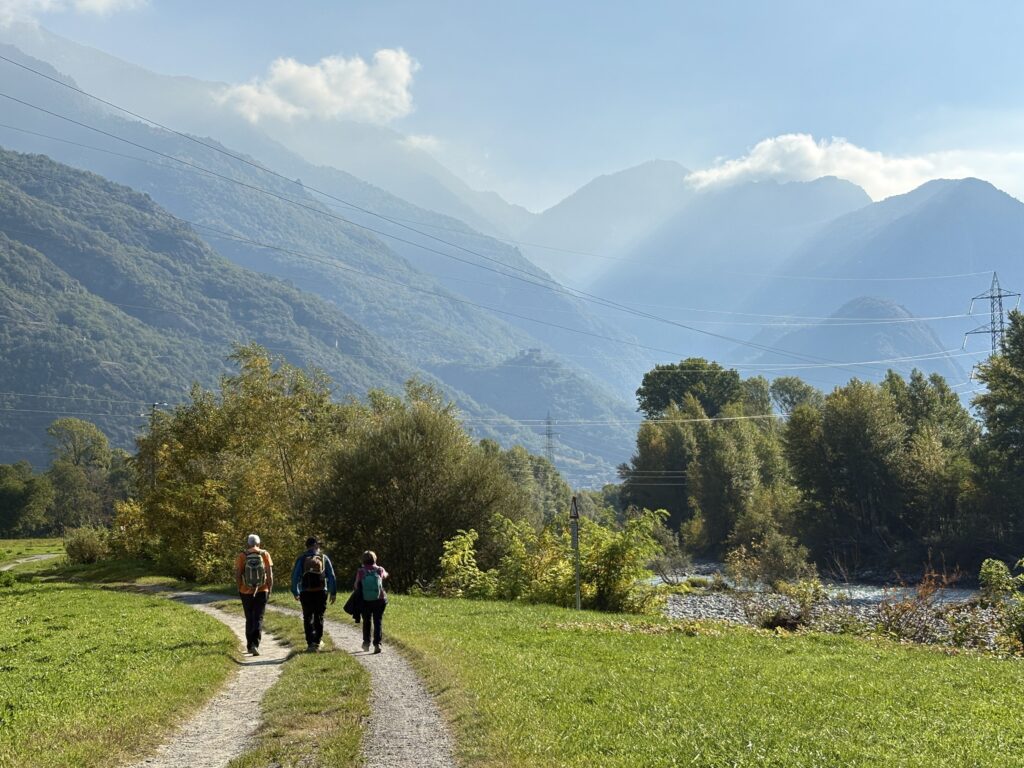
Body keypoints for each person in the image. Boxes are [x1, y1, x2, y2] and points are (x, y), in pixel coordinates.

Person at [290, 536, 336, 652]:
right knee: (319, 616)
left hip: (305, 592)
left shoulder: (302, 558)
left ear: (307, 546)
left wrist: (295, 591)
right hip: (321, 591)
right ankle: (317, 642)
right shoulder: (323, 558)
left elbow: (295, 576)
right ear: (316, 546)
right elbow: (331, 576)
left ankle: (310, 643)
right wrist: (333, 592)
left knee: (307, 616)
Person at [234, 533, 273, 656]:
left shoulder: (242, 556)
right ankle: (255, 644)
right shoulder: (264, 554)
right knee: (258, 618)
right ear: (259, 543)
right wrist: (270, 588)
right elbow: (269, 573)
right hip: (262, 590)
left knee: (249, 617)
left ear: (248, 544)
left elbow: (238, 573)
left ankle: (249, 645)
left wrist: (239, 587)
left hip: (245, 591)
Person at [355, 550, 388, 653]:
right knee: (377, 621)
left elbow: (356, 585)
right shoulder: (379, 570)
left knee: (366, 621)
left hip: (365, 600)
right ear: (375, 559)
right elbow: (385, 576)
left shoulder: (361, 571)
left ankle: (366, 643)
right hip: (379, 599)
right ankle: (377, 644)